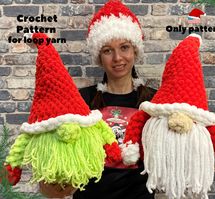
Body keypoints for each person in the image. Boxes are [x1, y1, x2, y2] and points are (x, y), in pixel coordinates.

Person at [39, 0, 156, 198]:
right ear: (99, 57)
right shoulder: (81, 100)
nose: (117, 57)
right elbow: (54, 178)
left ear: (135, 51)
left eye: (124, 47)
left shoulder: (154, 102)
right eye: (107, 50)